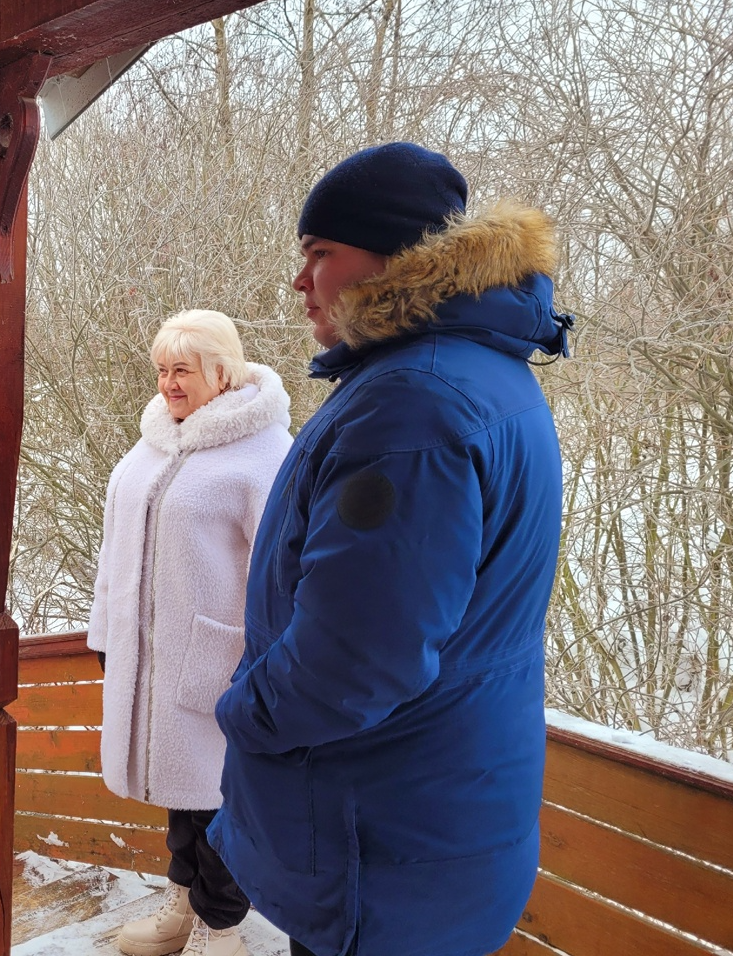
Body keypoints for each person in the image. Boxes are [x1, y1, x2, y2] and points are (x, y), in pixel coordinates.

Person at [207, 143, 573, 956]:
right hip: (435, 819)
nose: (300, 281)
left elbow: (357, 659)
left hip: (377, 842)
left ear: (394, 258)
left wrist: (242, 714)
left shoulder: (411, 407)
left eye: (318, 253)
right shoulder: (484, 375)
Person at [88, 309, 293, 956]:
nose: (167, 383)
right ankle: (182, 906)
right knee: (181, 795)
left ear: (221, 372)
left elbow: (285, 573)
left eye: (181, 370)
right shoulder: (154, 439)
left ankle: (220, 928)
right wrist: (104, 632)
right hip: (146, 654)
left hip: (222, 662)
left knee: (220, 805)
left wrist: (266, 667)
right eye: (160, 370)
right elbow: (114, 543)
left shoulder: (264, 454)